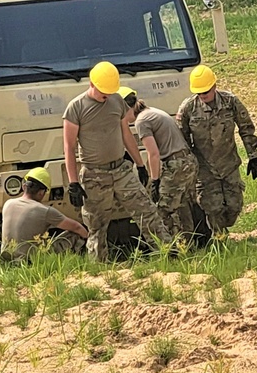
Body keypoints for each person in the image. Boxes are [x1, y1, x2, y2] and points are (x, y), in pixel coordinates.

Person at [63, 61, 174, 262]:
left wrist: (140, 165)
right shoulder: (75, 108)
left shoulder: (116, 102)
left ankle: (168, 254)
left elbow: (126, 134)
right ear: (91, 83)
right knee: (96, 224)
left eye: (109, 91)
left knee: (146, 211)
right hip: (94, 175)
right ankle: (99, 267)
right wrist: (73, 183)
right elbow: (69, 148)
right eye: (102, 91)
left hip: (121, 171)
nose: (105, 96)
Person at [176, 65, 257, 236]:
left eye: (206, 92)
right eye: (199, 93)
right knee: (213, 209)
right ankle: (221, 242)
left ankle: (223, 231)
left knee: (234, 207)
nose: (203, 96)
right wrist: (188, 168)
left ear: (214, 86)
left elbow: (246, 128)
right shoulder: (188, 109)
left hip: (228, 164)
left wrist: (253, 157)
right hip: (205, 169)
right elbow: (182, 140)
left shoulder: (230, 102)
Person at [119, 86, 198, 239]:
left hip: (176, 165)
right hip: (188, 161)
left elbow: (153, 154)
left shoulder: (141, 122)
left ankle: (173, 247)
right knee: (182, 206)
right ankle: (188, 243)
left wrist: (154, 180)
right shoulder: (153, 112)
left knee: (163, 210)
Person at [0, 167, 88, 262]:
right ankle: (86, 260)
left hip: (6, 261)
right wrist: (90, 239)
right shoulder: (44, 211)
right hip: (30, 262)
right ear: (41, 192)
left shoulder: (8, 204)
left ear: (24, 186)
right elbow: (77, 227)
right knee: (75, 234)